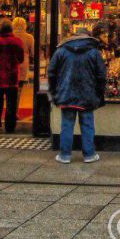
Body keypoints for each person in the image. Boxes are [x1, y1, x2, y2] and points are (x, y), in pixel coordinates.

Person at [48, 27, 107, 164]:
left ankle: (65, 155)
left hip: (66, 93)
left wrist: (54, 91)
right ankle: (89, 154)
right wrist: (99, 92)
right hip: (87, 95)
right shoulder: (94, 52)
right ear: (88, 37)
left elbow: (51, 72)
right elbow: (101, 75)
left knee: (67, 125)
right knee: (87, 125)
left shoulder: (61, 50)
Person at [0, 19, 25, 133]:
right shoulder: (17, 42)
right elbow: (21, 59)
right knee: (11, 102)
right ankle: (10, 126)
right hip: (12, 76)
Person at [12, 17, 34, 103]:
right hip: (23, 64)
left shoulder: (10, 36)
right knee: (19, 88)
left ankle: (10, 109)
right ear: (24, 25)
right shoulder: (29, 37)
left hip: (11, 64)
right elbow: (33, 53)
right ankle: (15, 109)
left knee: (10, 88)